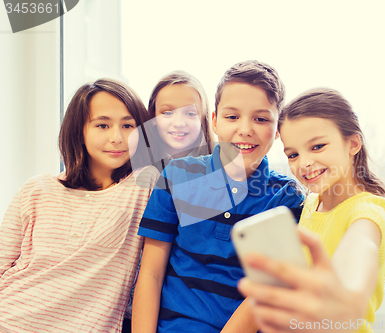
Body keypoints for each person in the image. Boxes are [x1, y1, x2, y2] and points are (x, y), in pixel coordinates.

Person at [131, 60, 304, 333]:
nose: (245, 129)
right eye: (232, 117)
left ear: (278, 127)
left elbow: (263, 293)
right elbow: (150, 273)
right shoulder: (177, 176)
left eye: (261, 118)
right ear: (214, 120)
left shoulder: (286, 199)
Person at [0, 79, 159, 333]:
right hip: (10, 318)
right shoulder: (37, 189)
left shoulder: (146, 183)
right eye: (102, 125)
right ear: (79, 130)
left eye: (128, 125)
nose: (117, 137)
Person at [238, 87, 385, 333]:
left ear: (353, 143)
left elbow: (360, 251)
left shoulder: (369, 211)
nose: (303, 163)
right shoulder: (312, 204)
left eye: (317, 147)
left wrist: (347, 297)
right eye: (293, 154)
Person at [123, 70, 213, 332]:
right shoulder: (139, 176)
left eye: (190, 113)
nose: (179, 122)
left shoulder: (216, 179)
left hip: (187, 310)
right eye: (167, 112)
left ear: (205, 119)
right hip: (135, 310)